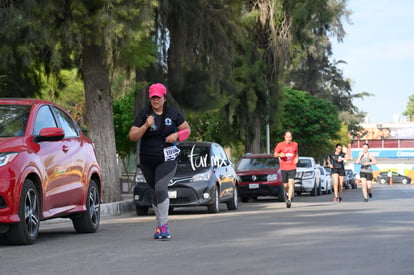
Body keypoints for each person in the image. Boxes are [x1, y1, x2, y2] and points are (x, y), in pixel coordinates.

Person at [129, 83, 191, 239]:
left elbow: (187, 130)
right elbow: (133, 136)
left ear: (164, 98)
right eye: (153, 97)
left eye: (158, 97)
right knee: (154, 193)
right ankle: (160, 226)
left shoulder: (173, 113)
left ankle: (164, 228)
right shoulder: (145, 114)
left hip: (168, 158)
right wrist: (145, 125)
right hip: (147, 160)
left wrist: (177, 136)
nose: (155, 100)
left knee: (161, 188)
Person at [274, 131, 298, 208]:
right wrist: (279, 154)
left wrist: (297, 158)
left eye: (290, 137)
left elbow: (296, 153)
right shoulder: (280, 145)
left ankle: (289, 200)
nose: (288, 139)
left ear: (292, 137)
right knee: (285, 185)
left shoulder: (295, 144)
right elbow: (275, 154)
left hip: (292, 167)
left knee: (291, 183)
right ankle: (287, 193)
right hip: (284, 167)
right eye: (287, 137)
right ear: (284, 137)